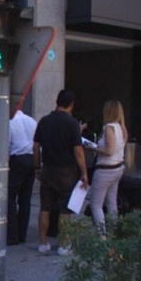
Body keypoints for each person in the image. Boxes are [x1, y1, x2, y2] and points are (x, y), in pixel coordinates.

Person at [33, 89, 89, 255]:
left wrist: (37, 166)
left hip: (48, 168)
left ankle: (43, 243)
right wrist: (84, 172)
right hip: (67, 171)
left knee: (45, 207)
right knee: (65, 210)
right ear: (71, 105)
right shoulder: (72, 124)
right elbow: (78, 150)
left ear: (56, 102)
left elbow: (36, 146)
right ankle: (64, 245)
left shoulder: (44, 121)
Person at [89, 100, 128, 239]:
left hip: (105, 168)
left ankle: (102, 235)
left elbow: (109, 151)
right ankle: (114, 231)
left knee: (96, 204)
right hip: (118, 167)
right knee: (111, 201)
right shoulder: (121, 128)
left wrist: (93, 147)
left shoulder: (109, 128)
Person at [7, 96, 37, 246]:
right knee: (25, 199)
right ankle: (22, 234)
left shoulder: (10, 122)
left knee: (10, 198)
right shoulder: (31, 121)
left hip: (17, 159)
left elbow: (6, 145)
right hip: (31, 158)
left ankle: (12, 235)